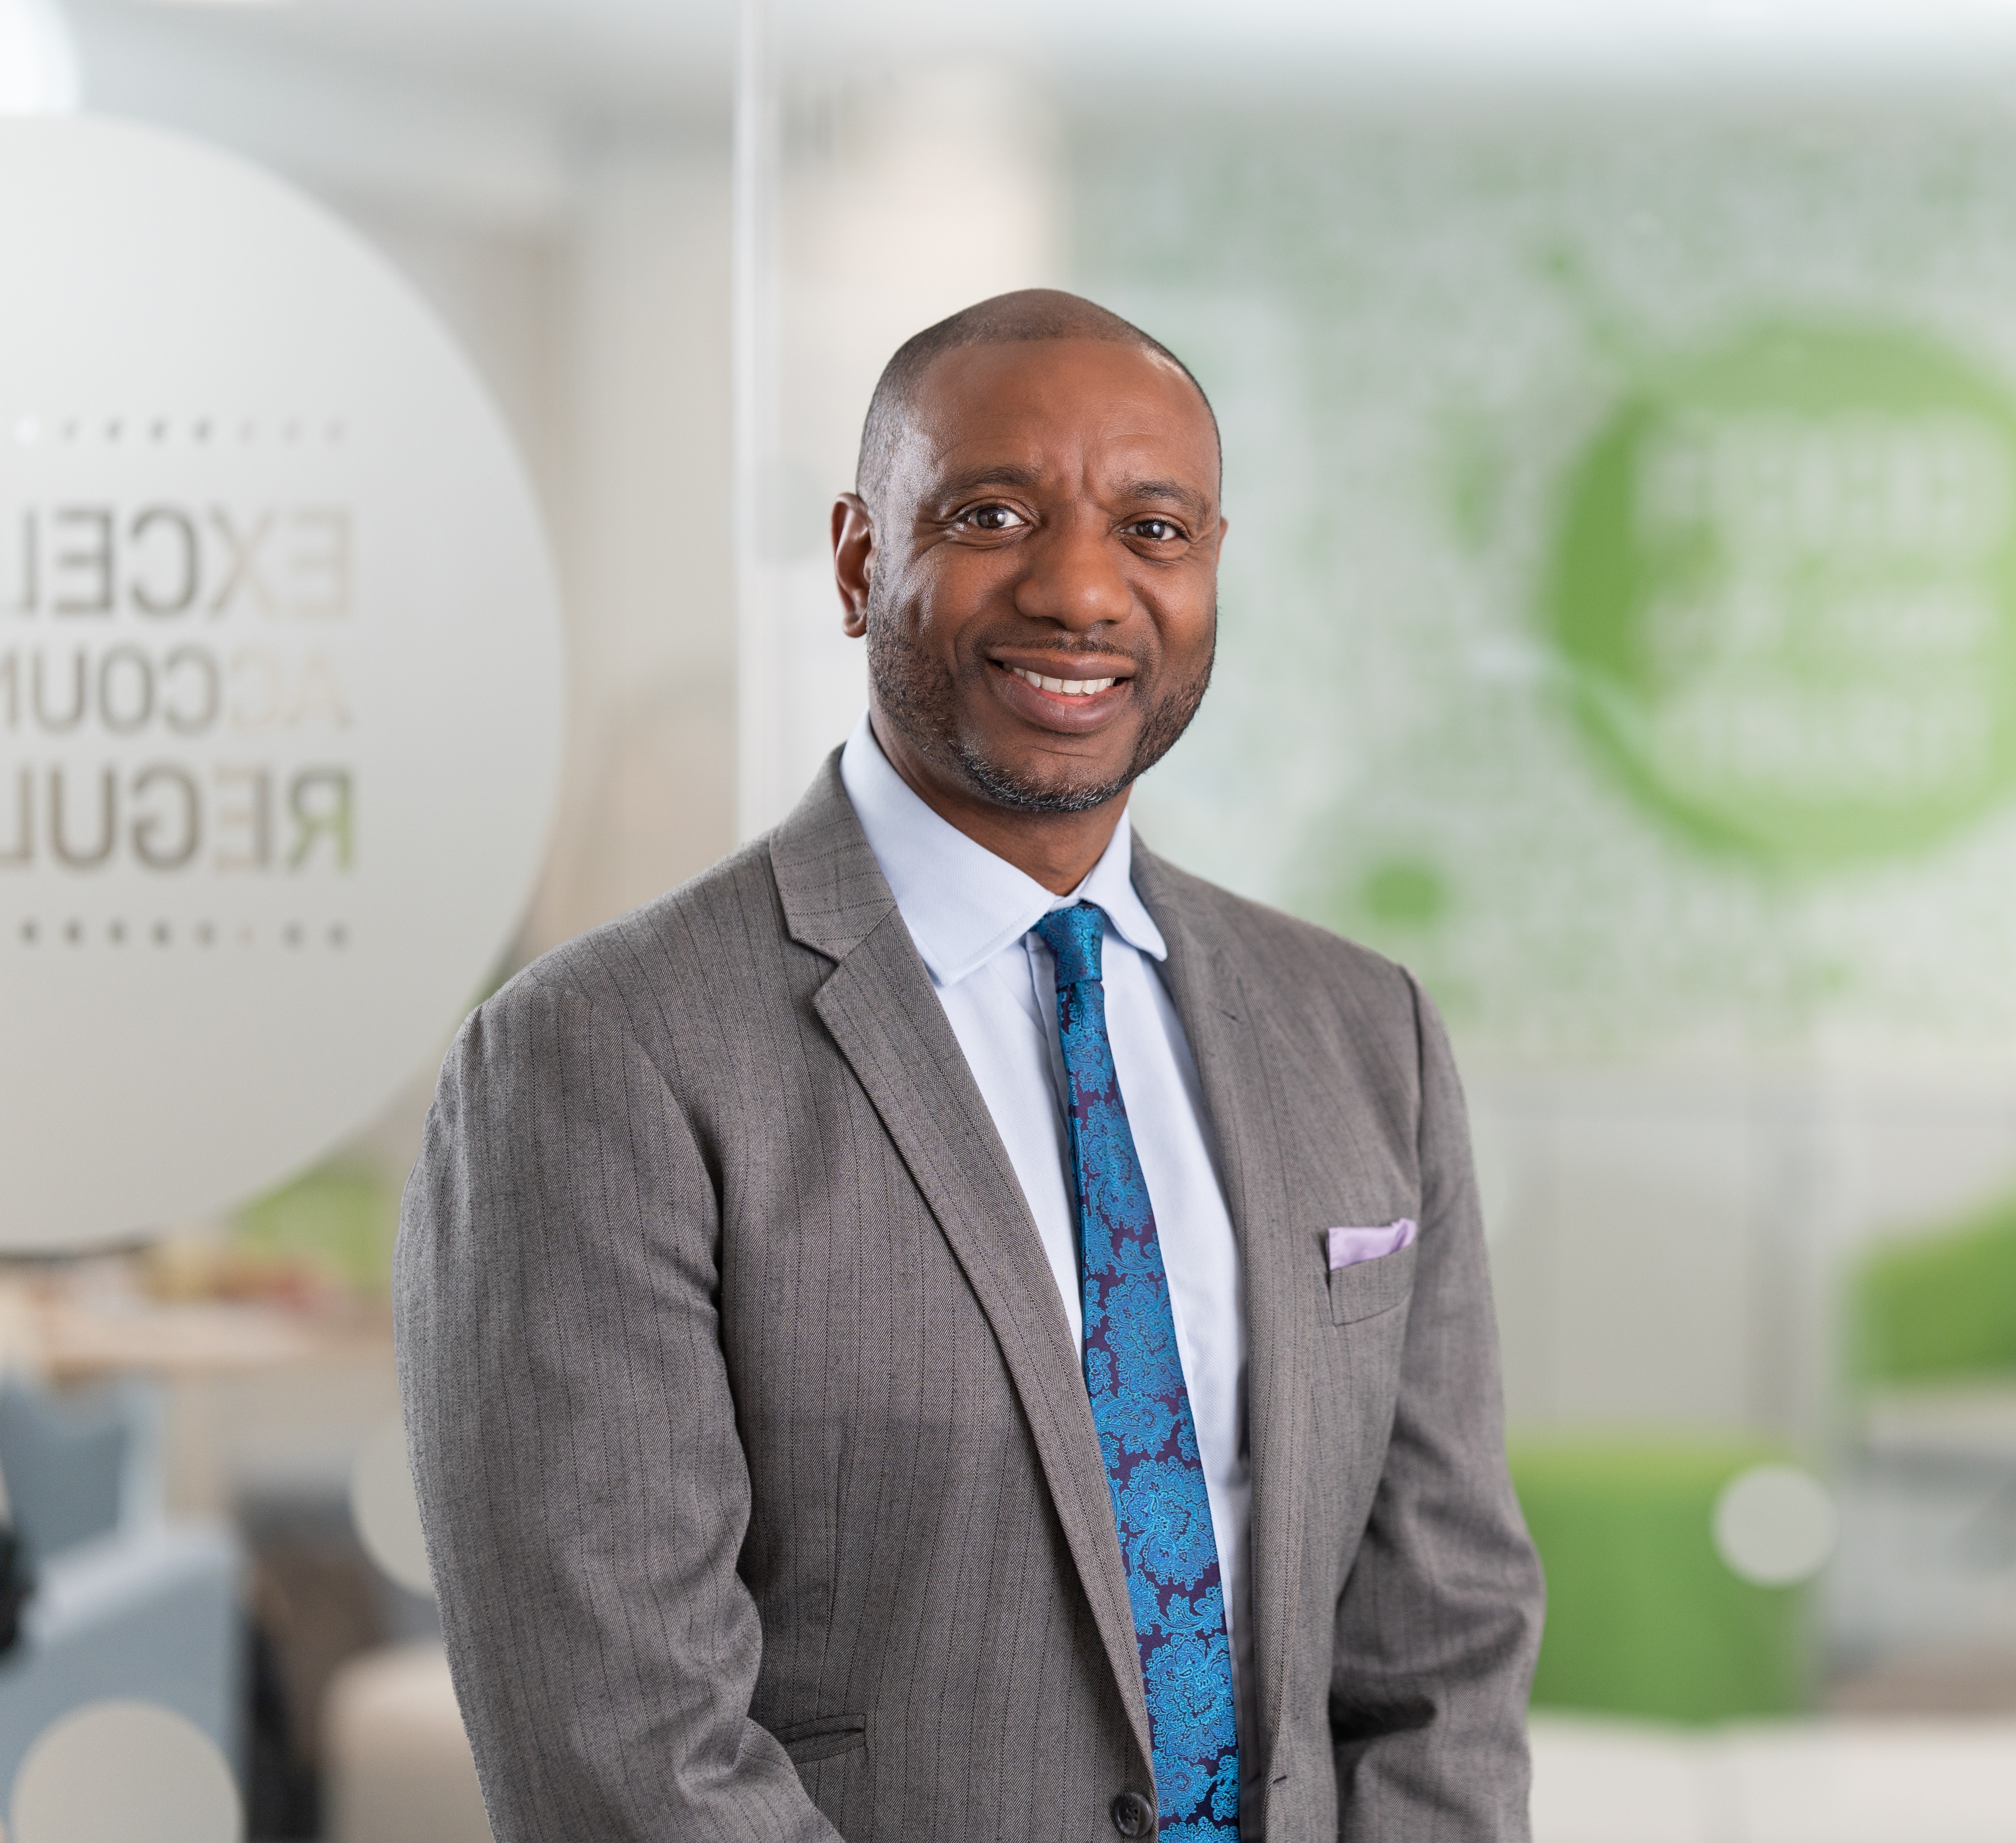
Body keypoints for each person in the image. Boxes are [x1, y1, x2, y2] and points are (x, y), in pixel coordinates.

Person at [396, 289, 1542, 1843]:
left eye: (1155, 529)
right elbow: (626, 1748)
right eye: (995, 514)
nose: (1084, 590)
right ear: (864, 558)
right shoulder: (599, 1057)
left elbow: (1446, 1644)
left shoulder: (1362, 1031)